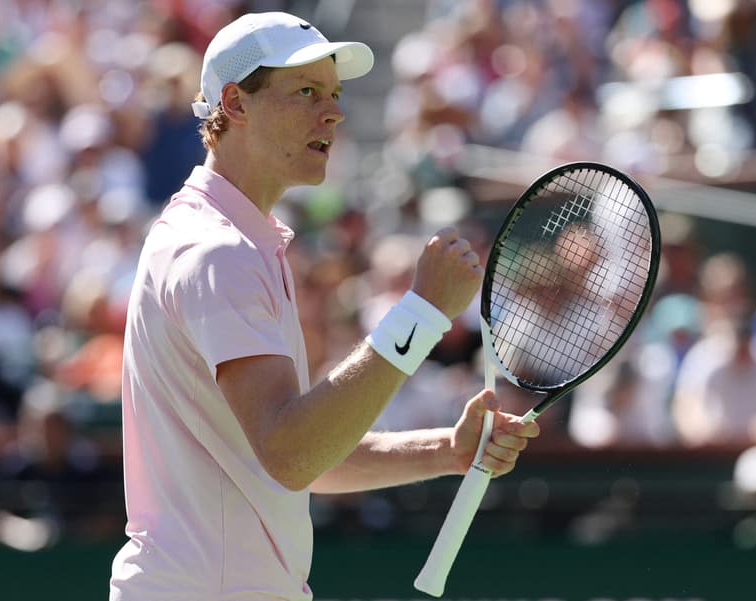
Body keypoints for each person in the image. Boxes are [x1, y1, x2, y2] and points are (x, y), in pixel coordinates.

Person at [109, 11, 539, 601]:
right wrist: (421, 313)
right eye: (307, 92)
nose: (333, 112)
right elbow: (291, 452)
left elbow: (305, 455)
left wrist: (445, 450)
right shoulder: (217, 252)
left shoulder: (231, 242)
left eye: (334, 94)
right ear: (235, 103)